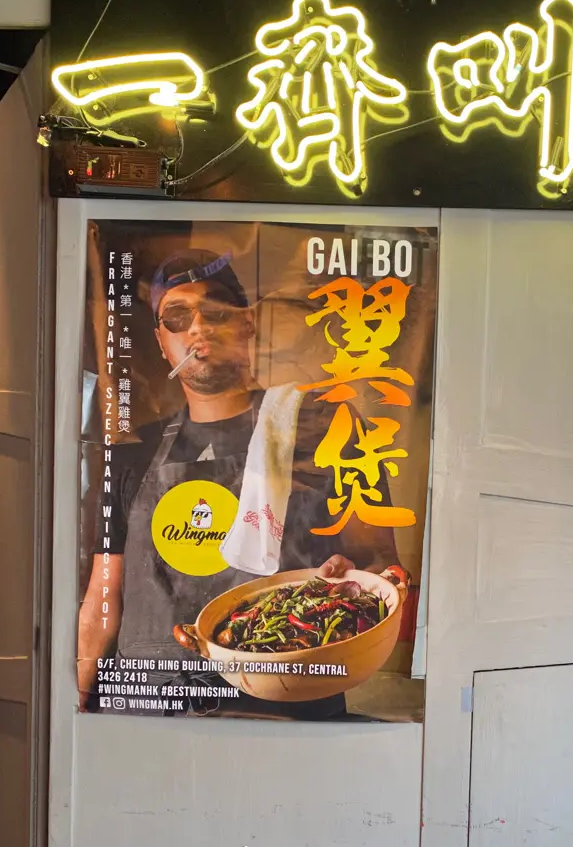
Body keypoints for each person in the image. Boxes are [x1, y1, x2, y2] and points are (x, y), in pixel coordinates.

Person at [77, 248, 398, 716]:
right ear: (162, 341)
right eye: (177, 317)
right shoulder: (132, 452)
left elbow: (381, 567)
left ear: (247, 324)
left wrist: (348, 584)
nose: (198, 328)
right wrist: (76, 705)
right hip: (147, 708)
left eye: (215, 311)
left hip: (279, 704)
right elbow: (103, 595)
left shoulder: (322, 429)